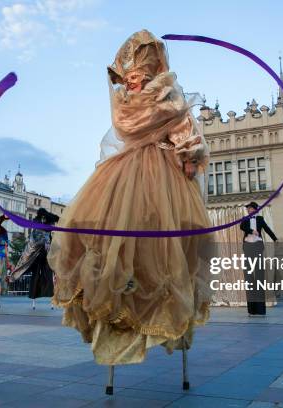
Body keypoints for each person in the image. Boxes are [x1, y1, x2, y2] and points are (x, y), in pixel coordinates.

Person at [47, 30, 212, 366]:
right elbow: (126, 125)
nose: (131, 84)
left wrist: (189, 156)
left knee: (164, 246)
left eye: (137, 78)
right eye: (128, 78)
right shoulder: (134, 105)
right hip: (126, 174)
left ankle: (168, 320)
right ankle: (116, 318)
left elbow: (187, 136)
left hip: (165, 178)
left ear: (149, 75)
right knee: (106, 237)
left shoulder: (169, 100)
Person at [9, 208, 59, 304]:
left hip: (43, 252)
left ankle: (47, 292)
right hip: (38, 252)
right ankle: (38, 292)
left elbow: (45, 237)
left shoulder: (42, 225)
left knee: (46, 272)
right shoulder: (38, 225)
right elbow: (36, 239)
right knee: (39, 272)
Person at [239, 202, 278, 316]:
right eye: (248, 209)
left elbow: (267, 229)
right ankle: (252, 310)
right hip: (248, 246)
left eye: (250, 209)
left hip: (258, 246)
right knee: (249, 277)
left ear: (255, 209)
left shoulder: (260, 219)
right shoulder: (245, 218)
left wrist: (275, 239)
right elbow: (242, 226)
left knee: (259, 276)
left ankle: (260, 310)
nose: (248, 210)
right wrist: (251, 231)